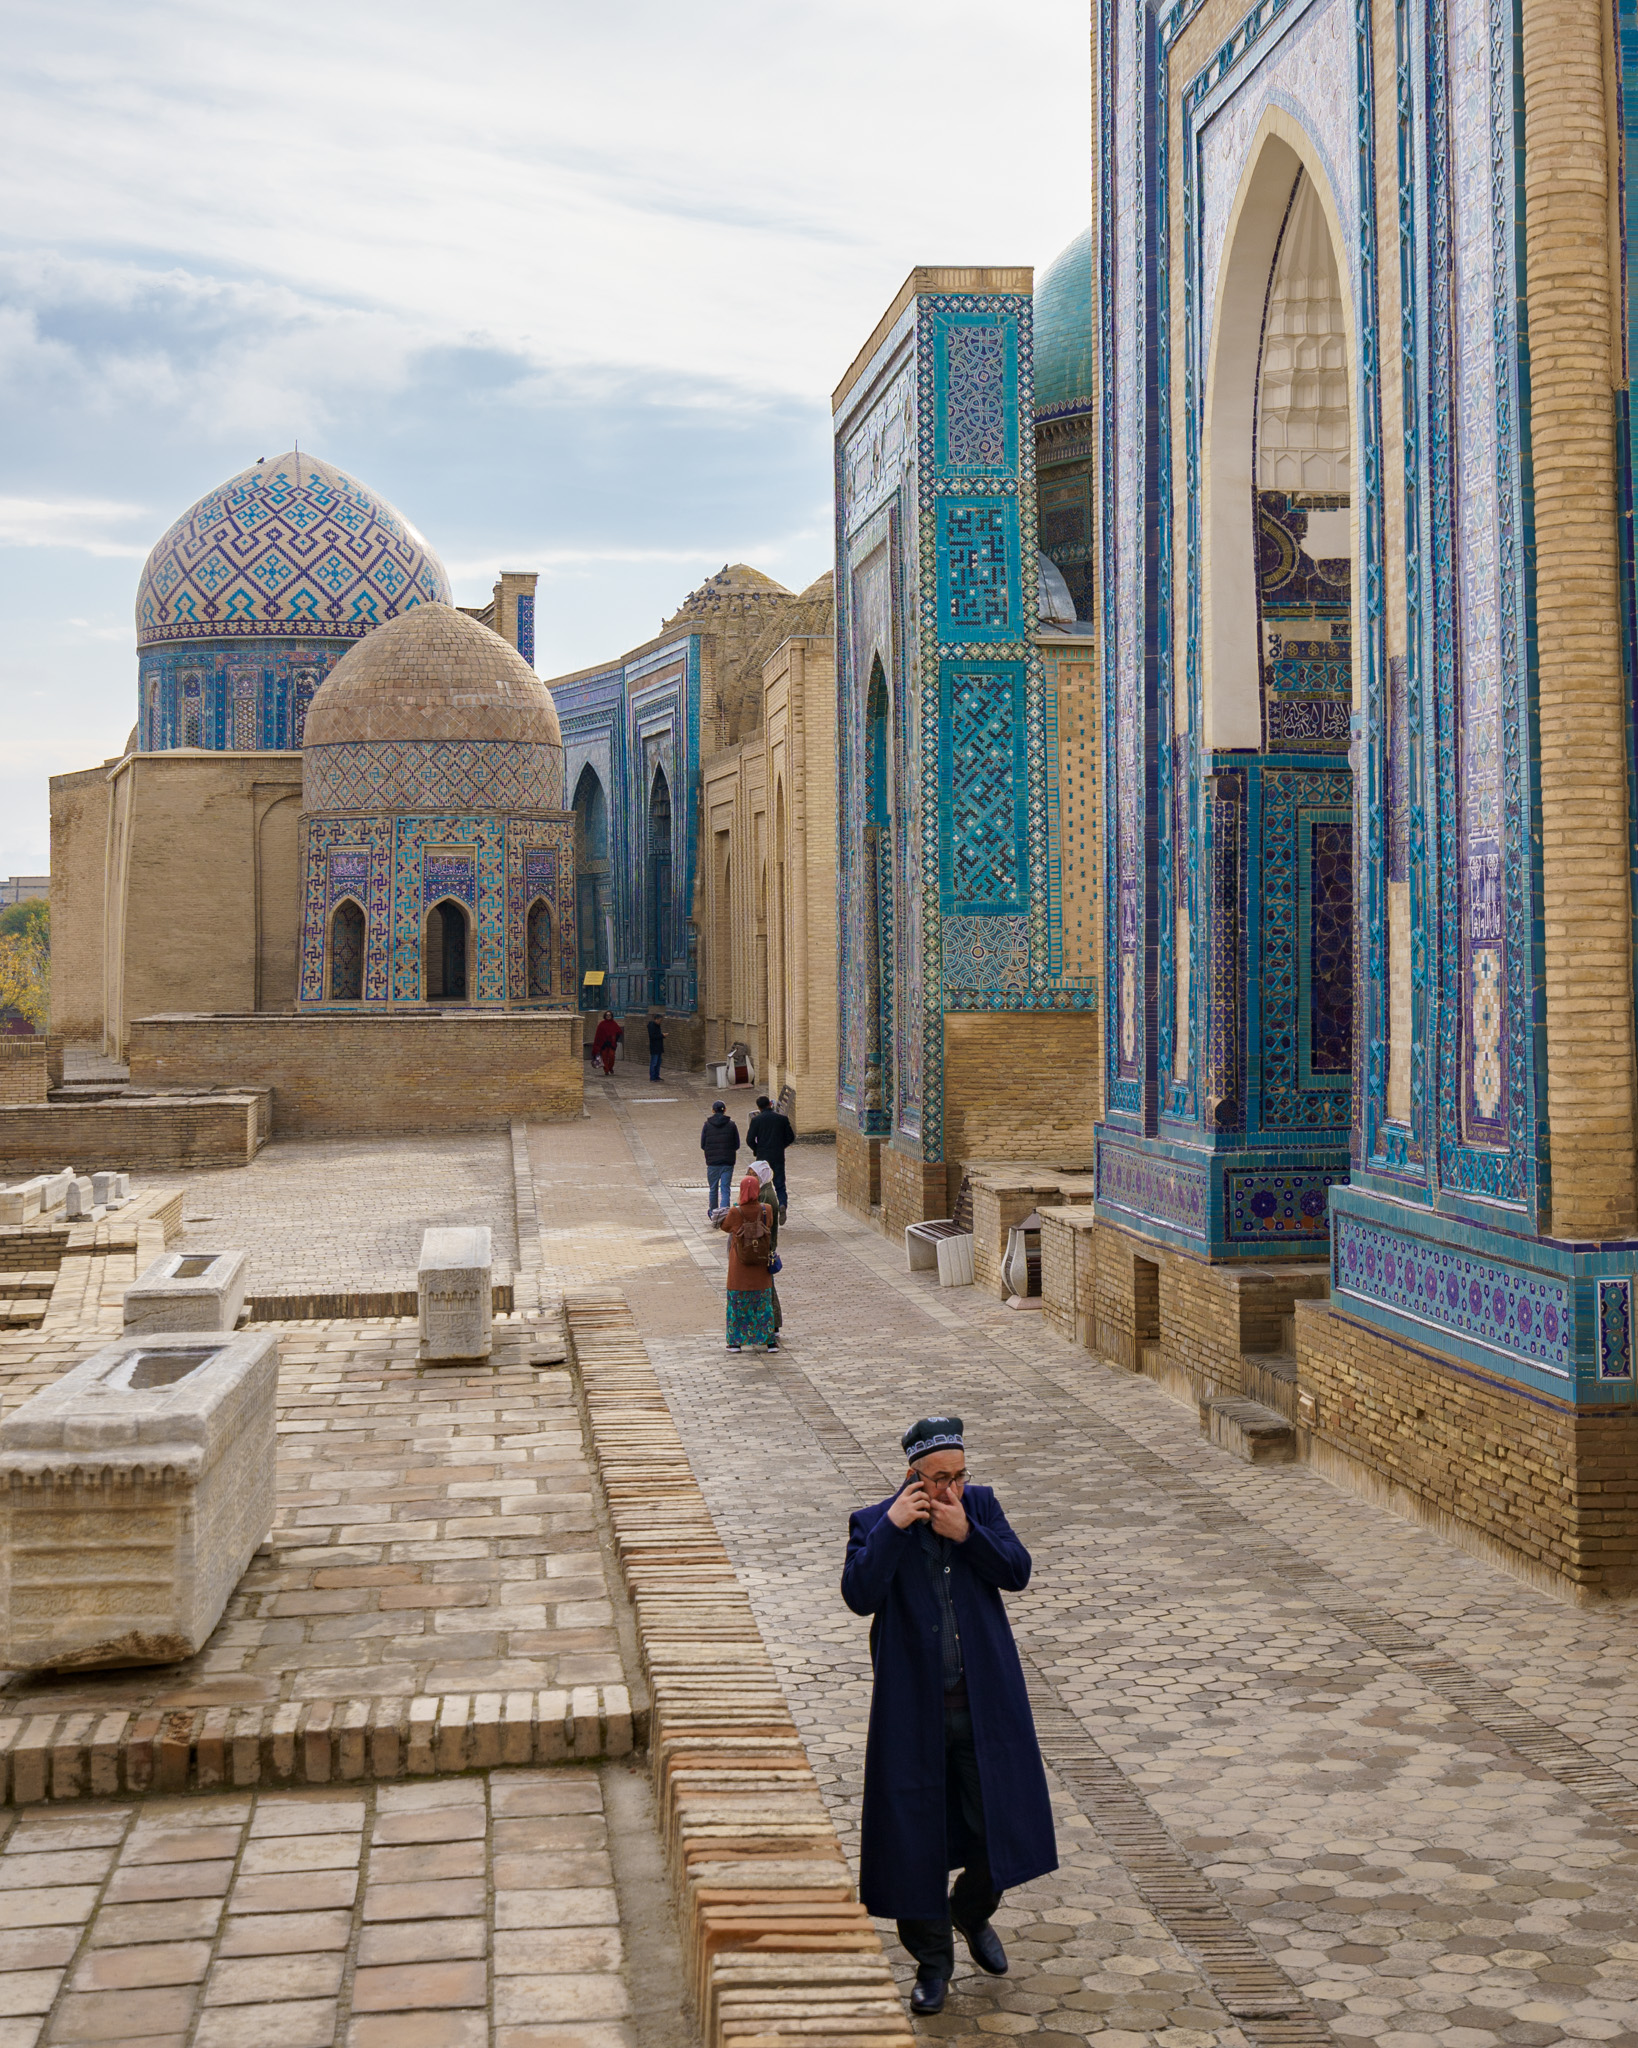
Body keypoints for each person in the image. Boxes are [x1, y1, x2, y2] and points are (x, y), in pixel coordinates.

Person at [841, 1416, 1056, 2017]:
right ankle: (932, 1964)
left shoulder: (980, 1509)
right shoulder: (874, 1521)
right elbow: (858, 1595)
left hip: (987, 1711)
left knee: (1004, 1823)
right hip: (912, 1718)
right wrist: (891, 1528)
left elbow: (1017, 1572)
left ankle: (972, 1909)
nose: (951, 1490)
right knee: (914, 1841)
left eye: (960, 1476)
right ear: (913, 1475)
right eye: (939, 1480)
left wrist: (970, 1534)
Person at [717, 1170, 778, 1352]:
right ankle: (769, 1342)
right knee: (762, 1304)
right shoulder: (766, 1209)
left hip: (740, 1267)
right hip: (760, 1265)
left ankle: (736, 1342)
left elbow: (725, 1227)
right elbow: (770, 1224)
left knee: (737, 1305)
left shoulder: (736, 1211)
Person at [746, 1094, 796, 1220]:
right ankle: (782, 1204)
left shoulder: (756, 1120)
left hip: (762, 1157)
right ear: (770, 1104)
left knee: (762, 1185)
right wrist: (781, 1146)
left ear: (759, 1107)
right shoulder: (781, 1119)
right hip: (778, 1156)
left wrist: (757, 1149)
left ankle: (764, 1210)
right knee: (780, 1184)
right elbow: (791, 1137)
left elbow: (749, 1139)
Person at [751, 1159, 783, 1336]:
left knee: (767, 1286)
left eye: (753, 1174)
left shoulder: (766, 1196)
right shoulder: (763, 1191)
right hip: (766, 1245)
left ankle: (773, 1323)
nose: (750, 1178)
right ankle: (773, 1322)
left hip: (765, 1247)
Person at [700, 1100, 740, 1215]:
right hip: (727, 1161)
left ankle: (713, 1212)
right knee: (725, 1189)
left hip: (712, 1162)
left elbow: (703, 1144)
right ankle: (724, 1214)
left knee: (713, 1189)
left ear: (713, 1111)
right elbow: (736, 1144)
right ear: (725, 1110)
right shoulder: (732, 1125)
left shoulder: (707, 1125)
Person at [591, 1010, 622, 1076]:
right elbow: (598, 1035)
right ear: (605, 1016)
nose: (608, 1016)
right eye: (607, 1015)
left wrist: (615, 1039)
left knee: (611, 1056)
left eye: (609, 1015)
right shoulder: (601, 1024)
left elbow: (618, 1032)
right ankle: (606, 1070)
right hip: (603, 1044)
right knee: (604, 1057)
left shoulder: (614, 1024)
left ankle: (610, 1067)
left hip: (611, 1044)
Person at [647, 1012, 667, 1082]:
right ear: (656, 1019)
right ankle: (652, 1077)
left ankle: (656, 1076)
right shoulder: (652, 1026)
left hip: (658, 1047)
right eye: (660, 1020)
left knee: (658, 1063)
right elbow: (652, 1036)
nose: (660, 1022)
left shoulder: (657, 1026)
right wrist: (662, 1035)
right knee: (654, 1063)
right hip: (654, 1047)